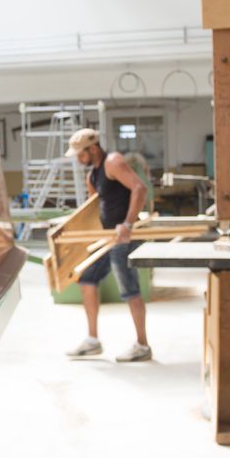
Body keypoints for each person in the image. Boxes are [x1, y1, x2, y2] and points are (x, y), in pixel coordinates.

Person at [64, 128, 152, 362]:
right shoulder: (92, 175)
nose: (78, 159)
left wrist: (127, 224)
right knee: (86, 278)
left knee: (129, 290)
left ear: (93, 148)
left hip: (124, 237)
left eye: (80, 154)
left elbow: (139, 188)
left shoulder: (113, 162)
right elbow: (94, 207)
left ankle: (142, 345)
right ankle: (93, 341)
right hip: (107, 238)